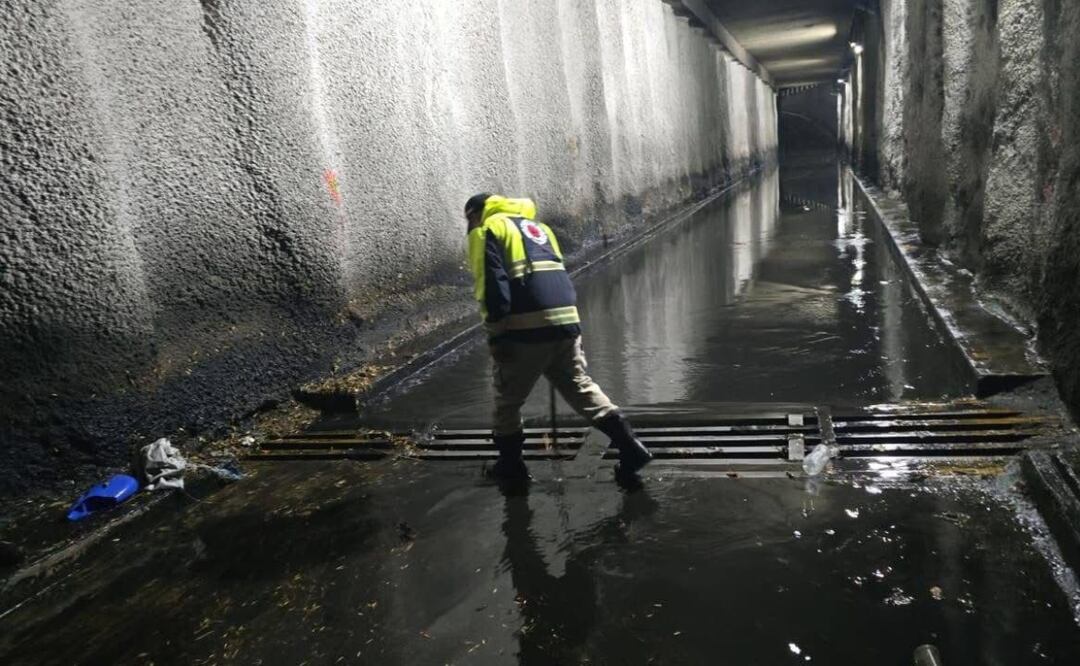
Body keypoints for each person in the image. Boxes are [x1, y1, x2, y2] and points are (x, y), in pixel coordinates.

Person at [464, 193, 652, 480]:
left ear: (477, 214)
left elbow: (493, 290)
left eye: (469, 218)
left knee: (508, 400)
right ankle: (631, 447)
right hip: (566, 323)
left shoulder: (487, 230)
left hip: (525, 328)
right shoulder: (538, 229)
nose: (469, 225)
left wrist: (497, 337)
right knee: (580, 386)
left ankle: (511, 468)